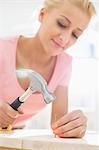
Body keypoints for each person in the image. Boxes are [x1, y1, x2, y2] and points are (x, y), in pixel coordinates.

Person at [0, 0, 96, 138]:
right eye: (62, 24)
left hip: (13, 138)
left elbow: (59, 124)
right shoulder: (2, 49)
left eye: (75, 34)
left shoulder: (65, 64)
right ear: (42, 14)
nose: (65, 38)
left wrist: (73, 126)